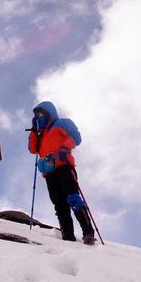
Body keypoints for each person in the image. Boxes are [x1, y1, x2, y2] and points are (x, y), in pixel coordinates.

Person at [28, 101, 95, 245]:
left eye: (40, 114)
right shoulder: (40, 134)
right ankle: (68, 236)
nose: (38, 116)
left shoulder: (62, 123)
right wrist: (34, 130)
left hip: (64, 166)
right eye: (36, 115)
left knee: (73, 198)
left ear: (48, 113)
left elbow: (76, 136)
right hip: (49, 172)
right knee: (59, 205)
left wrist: (65, 147)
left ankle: (88, 232)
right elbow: (33, 149)